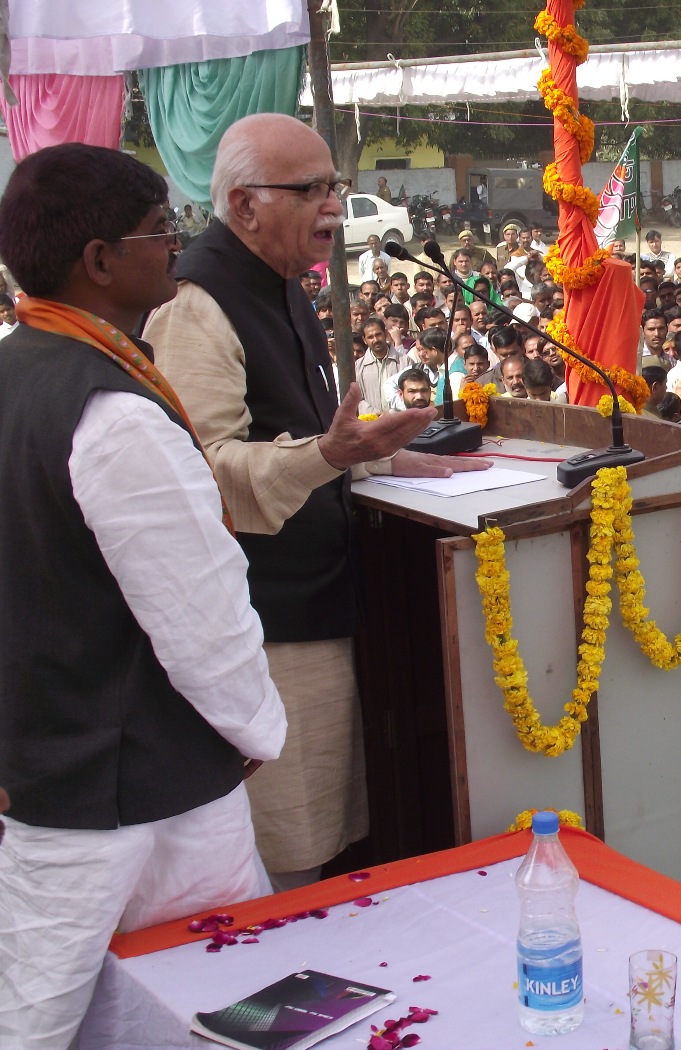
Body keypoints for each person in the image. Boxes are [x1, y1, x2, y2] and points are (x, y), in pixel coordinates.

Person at [143, 114, 489, 890]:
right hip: (266, 618)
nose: (333, 205)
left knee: (329, 831)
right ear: (243, 206)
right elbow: (201, 471)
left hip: (318, 599)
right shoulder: (197, 304)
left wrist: (382, 457)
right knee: (290, 845)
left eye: (334, 185)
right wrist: (333, 454)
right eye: (309, 190)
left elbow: (296, 435)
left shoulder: (281, 281)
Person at [0, 144, 287, 1048]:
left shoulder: (20, 368)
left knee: (43, 1014)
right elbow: (199, 616)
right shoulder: (113, 414)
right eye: (161, 230)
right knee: (222, 1011)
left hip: (47, 771)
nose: (175, 246)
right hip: (149, 796)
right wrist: (253, 730)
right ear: (99, 261)